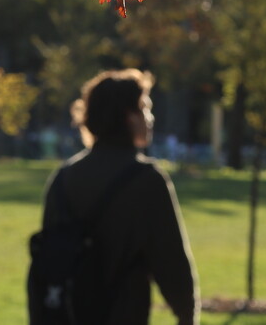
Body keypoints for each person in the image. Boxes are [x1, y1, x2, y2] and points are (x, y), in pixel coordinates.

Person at [30, 69, 199, 325]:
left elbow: (51, 257)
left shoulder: (63, 178)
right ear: (129, 117)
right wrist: (187, 316)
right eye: (145, 109)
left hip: (65, 314)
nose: (150, 119)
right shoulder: (148, 180)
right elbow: (172, 265)